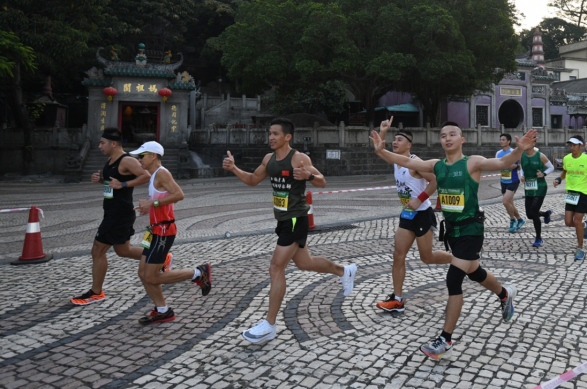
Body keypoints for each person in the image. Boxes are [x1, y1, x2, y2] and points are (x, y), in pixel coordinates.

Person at [369, 122, 533, 360]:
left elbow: (501, 163)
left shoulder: (472, 163)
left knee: (454, 279)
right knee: (475, 272)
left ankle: (445, 340)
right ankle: (504, 293)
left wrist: (519, 150)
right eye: (443, 135)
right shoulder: (437, 166)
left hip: (471, 230)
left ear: (461, 139)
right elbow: (405, 161)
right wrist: (380, 150)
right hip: (452, 232)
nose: (447, 138)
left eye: (452, 134)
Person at [224, 117, 357, 344]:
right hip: (283, 220)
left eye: (275, 133)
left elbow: (322, 181)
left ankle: (269, 325)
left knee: (276, 268)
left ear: (287, 137)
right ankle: (344, 271)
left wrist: (309, 176)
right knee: (305, 263)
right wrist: (234, 168)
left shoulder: (299, 158)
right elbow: (253, 180)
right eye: (269, 133)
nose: (271, 137)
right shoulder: (268, 159)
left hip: (296, 220)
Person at [374, 118, 452, 313]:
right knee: (398, 254)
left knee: (427, 257)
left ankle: (458, 259)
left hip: (422, 214)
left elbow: (435, 181)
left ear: (409, 145)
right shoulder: (397, 161)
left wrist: (420, 199)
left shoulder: (416, 164)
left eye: (399, 140)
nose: (395, 142)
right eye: (394, 139)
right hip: (407, 215)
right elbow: (380, 151)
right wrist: (382, 132)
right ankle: (397, 300)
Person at [132, 141, 212, 325]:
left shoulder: (162, 173)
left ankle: (198, 273)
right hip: (154, 230)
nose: (139, 160)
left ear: (153, 156)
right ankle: (163, 310)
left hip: (163, 231)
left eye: (142, 156)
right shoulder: (154, 175)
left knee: (151, 276)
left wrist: (153, 203)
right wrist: (150, 208)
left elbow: (179, 194)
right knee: (143, 273)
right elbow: (165, 199)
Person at [71, 128, 151, 306]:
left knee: (97, 250)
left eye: (102, 143)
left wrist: (123, 184)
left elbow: (146, 175)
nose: (100, 146)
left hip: (119, 214)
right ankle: (160, 257)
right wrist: (101, 180)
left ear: (113, 143)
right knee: (124, 251)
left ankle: (96, 292)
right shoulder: (110, 161)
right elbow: (112, 184)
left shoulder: (127, 160)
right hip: (112, 211)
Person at [554, 136, 587, 260]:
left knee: (577, 221)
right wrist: (558, 179)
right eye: (570, 145)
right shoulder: (567, 158)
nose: (572, 147)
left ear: (581, 146)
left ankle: (580, 248)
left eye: (574, 145)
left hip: (583, 193)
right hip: (571, 194)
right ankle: (584, 226)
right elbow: (565, 172)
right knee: (568, 222)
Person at [519, 135, 555, 247]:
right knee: (529, 215)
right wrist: (522, 176)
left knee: (534, 212)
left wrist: (543, 174)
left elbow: (551, 167)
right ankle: (545, 214)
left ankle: (538, 238)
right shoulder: (522, 155)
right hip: (529, 187)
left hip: (540, 187)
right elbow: (522, 168)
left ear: (534, 143)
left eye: (529, 142)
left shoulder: (540, 155)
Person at [496, 133, 525, 233]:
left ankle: (512, 220)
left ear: (508, 141)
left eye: (503, 140)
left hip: (513, 180)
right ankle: (520, 220)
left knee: (505, 202)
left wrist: (516, 166)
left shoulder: (514, 152)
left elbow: (523, 163)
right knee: (510, 203)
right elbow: (496, 164)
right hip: (503, 180)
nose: (501, 141)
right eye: (500, 139)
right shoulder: (498, 153)